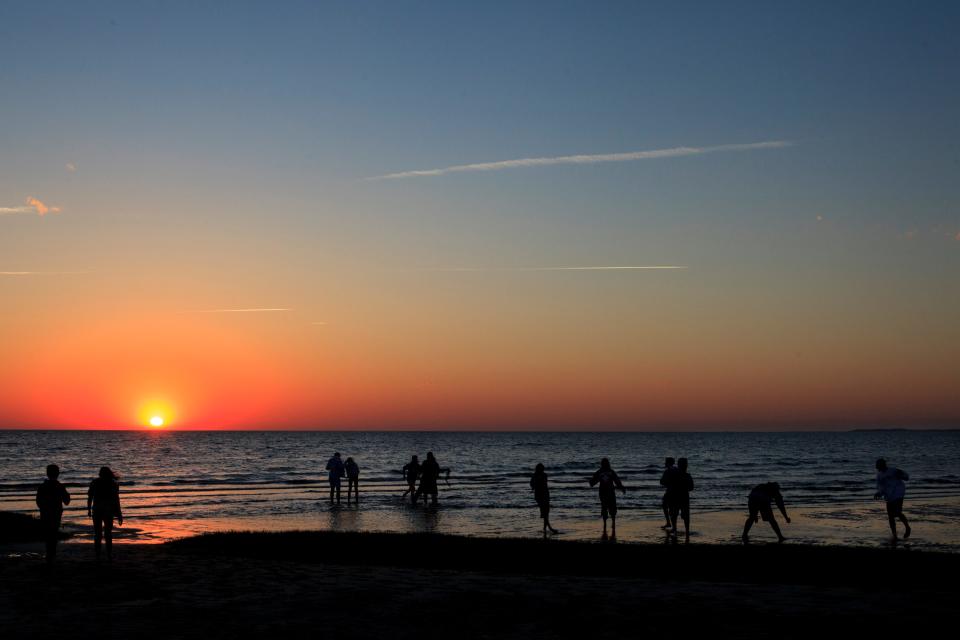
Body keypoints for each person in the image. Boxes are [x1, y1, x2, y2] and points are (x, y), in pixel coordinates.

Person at [36, 464, 70, 562]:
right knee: (53, 535)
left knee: (48, 535)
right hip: (56, 513)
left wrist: (44, 508)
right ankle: (52, 555)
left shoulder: (42, 486)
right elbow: (67, 501)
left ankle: (49, 555)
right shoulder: (60, 486)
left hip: (46, 513)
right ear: (58, 474)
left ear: (47, 473)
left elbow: (38, 502)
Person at [87, 466, 122, 560]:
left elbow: (90, 497)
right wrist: (119, 514)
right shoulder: (113, 484)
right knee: (108, 533)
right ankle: (109, 554)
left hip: (97, 510)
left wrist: (88, 509)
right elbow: (116, 500)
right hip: (108, 511)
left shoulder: (94, 482)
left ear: (100, 474)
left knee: (97, 534)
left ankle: (98, 555)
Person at [874, 458, 911, 540]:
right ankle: (894, 535)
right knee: (890, 516)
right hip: (889, 496)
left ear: (883, 464)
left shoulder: (893, 470)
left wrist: (902, 474)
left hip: (898, 493)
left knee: (897, 512)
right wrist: (879, 493)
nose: (876, 466)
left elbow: (906, 477)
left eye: (877, 464)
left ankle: (907, 527)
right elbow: (880, 487)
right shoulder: (879, 475)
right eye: (876, 465)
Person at [589, 458, 626, 540]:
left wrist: (621, 488)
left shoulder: (602, 472)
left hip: (606, 493)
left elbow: (617, 481)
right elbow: (593, 482)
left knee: (608, 508)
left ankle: (609, 524)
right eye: (604, 463)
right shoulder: (605, 472)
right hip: (606, 493)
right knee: (607, 508)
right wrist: (621, 488)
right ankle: (609, 524)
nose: (605, 464)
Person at [665, 457, 694, 541]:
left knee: (674, 514)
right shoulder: (687, 476)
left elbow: (667, 483)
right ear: (686, 466)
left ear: (678, 465)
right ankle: (687, 531)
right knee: (685, 515)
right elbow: (691, 488)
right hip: (684, 497)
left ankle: (675, 529)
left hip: (675, 497)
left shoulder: (674, 475)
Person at [530, 463, 558, 536]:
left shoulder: (544, 475)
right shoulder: (535, 475)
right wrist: (535, 482)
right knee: (545, 513)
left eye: (542, 469)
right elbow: (532, 485)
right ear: (538, 469)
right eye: (541, 469)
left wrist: (536, 482)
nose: (542, 470)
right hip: (539, 496)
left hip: (545, 495)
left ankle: (544, 529)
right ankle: (550, 528)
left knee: (547, 512)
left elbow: (544, 484)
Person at [659, 457, 677, 529]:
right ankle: (672, 525)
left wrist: (666, 483)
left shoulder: (667, 471)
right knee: (672, 509)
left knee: (665, 506)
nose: (664, 463)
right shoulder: (676, 469)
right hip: (676, 492)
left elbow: (662, 481)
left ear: (668, 463)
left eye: (666, 462)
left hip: (670, 491)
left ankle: (670, 524)